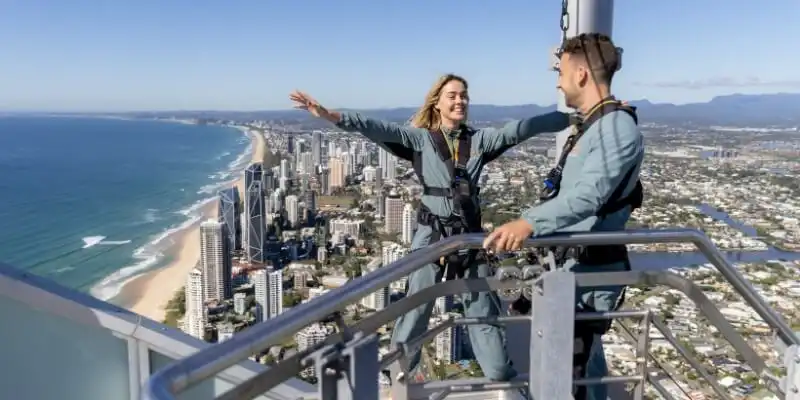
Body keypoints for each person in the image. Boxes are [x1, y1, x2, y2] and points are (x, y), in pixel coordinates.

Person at [289, 74, 573, 399]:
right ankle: (400, 384)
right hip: (431, 238)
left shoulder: (479, 141)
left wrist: (572, 117)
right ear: (437, 102)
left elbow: (521, 129)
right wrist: (327, 114)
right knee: (415, 313)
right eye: (452, 95)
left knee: (482, 313)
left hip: (468, 239)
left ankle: (504, 381)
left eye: (464, 95)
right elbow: (376, 127)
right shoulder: (420, 140)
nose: (460, 101)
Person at [483, 33, 644, 400]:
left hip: (592, 270)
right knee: (582, 367)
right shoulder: (597, 123)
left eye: (563, 71)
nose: (557, 79)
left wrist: (528, 223)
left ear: (583, 74)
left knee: (576, 373)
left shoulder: (615, 126)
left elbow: (589, 197)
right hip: (574, 269)